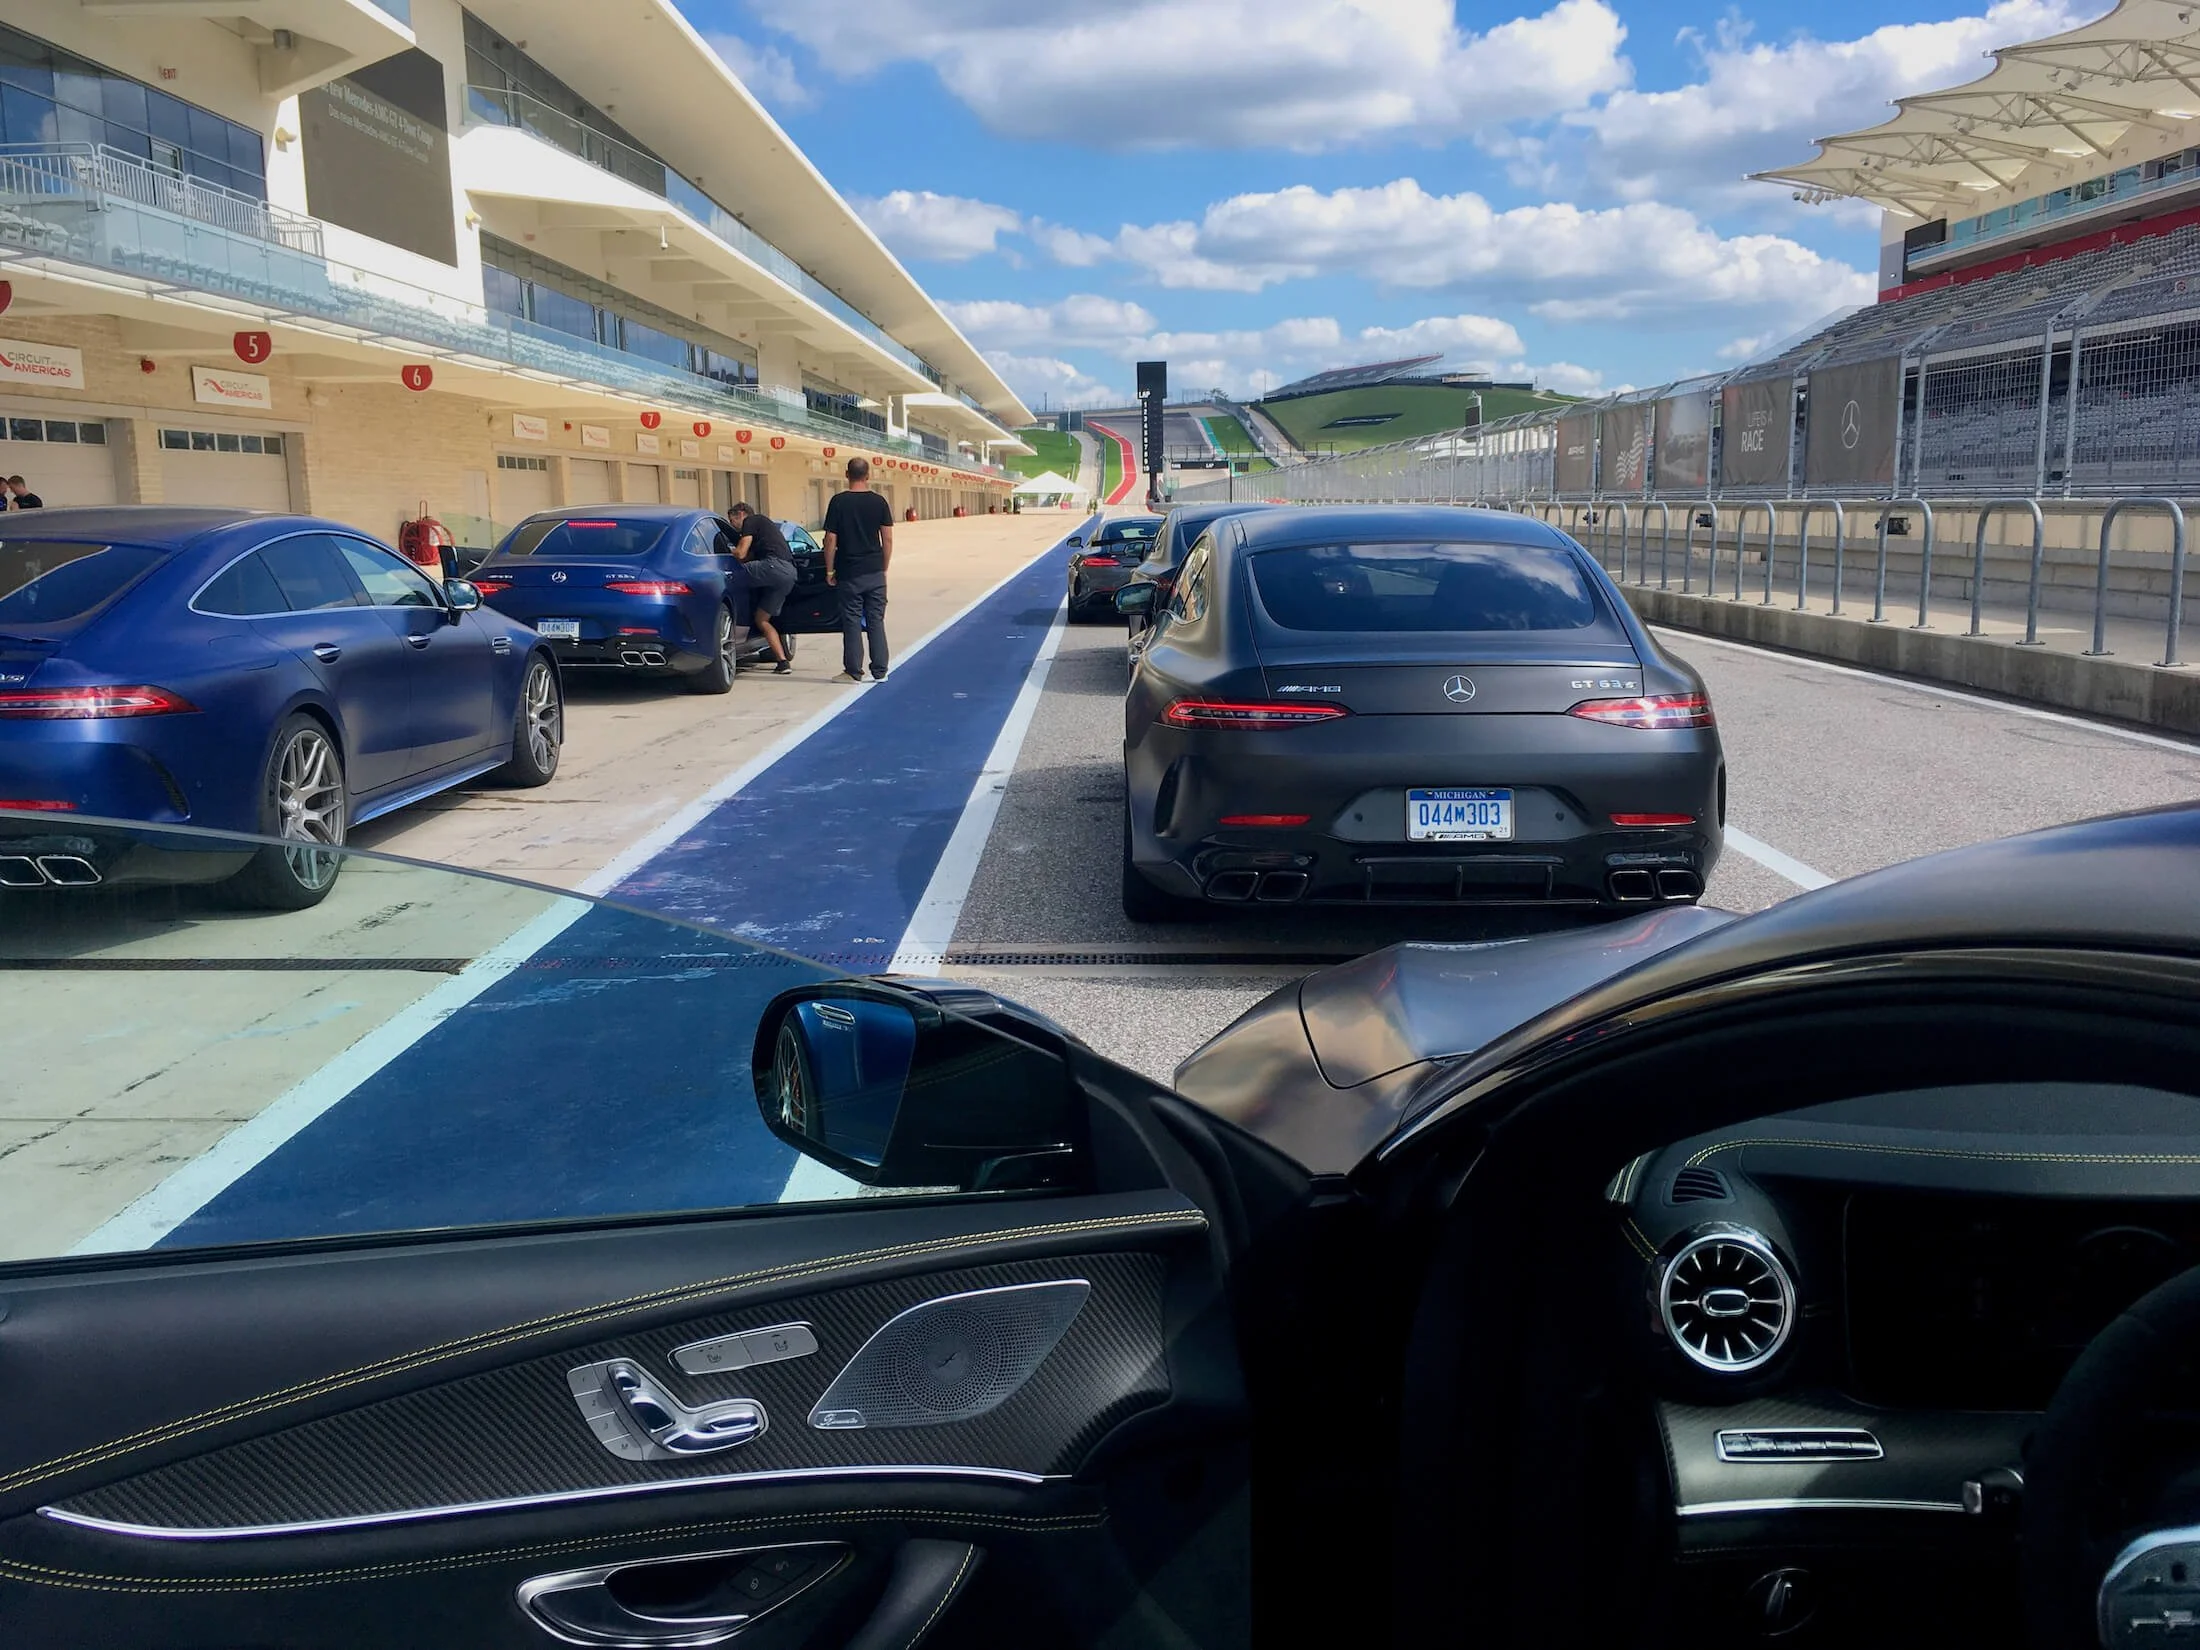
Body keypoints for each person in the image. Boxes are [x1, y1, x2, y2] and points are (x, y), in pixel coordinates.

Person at [820, 457, 894, 683]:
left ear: (846, 474)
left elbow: (830, 539)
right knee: (875, 620)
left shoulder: (838, 502)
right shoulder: (879, 502)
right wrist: (884, 566)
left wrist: (829, 570)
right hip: (874, 571)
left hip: (850, 571)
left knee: (851, 620)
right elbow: (888, 538)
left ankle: (853, 671)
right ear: (868, 475)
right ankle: (880, 671)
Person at [726, 501, 794, 674]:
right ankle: (783, 662)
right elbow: (748, 557)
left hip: (772, 566)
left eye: (733, 522)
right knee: (762, 619)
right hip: (788, 574)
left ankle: (732, 629)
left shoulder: (752, 521)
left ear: (741, 514)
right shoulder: (765, 531)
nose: (736, 529)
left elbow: (741, 554)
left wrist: (727, 550)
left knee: (728, 577)